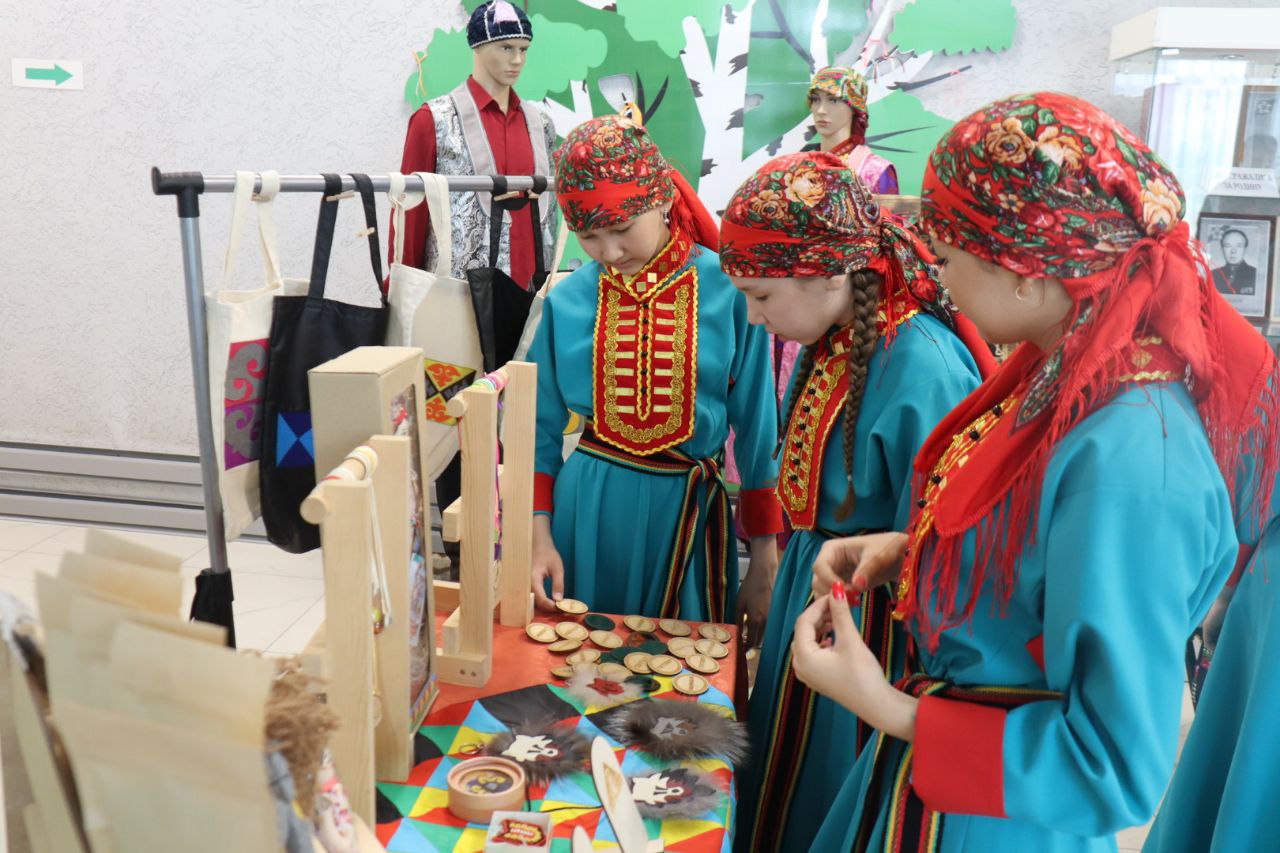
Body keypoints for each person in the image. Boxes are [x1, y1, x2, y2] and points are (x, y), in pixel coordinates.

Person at [796, 92, 1280, 852]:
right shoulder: (1063, 369)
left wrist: (890, 709)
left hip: (999, 816)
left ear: (1027, 273)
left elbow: (1113, 766)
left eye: (947, 259)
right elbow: (1035, 553)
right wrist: (913, 551)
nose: (939, 280)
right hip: (953, 787)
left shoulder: (1131, 456)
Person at [718, 152, 992, 853]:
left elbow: (939, 543)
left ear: (828, 271)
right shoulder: (838, 334)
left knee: (828, 790)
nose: (751, 316)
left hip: (868, 621)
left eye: (761, 294)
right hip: (816, 589)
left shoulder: (924, 365)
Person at [527, 114, 783, 625]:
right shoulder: (567, 301)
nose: (609, 251)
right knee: (578, 659)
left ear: (663, 198)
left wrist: (764, 556)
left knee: (683, 667)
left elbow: (758, 428)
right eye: (588, 236)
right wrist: (537, 539)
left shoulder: (729, 290)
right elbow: (536, 429)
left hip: (687, 516)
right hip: (586, 515)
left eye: (622, 228)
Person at [393, 0, 559, 570]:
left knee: (521, 411)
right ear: (478, 47)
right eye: (505, 48)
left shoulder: (542, 122)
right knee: (455, 409)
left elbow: (553, 211)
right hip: (456, 293)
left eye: (523, 49)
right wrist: (405, 290)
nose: (516, 60)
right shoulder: (433, 119)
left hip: (528, 288)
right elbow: (411, 210)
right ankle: (462, 546)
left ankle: (517, 544)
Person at [806, 66, 899, 194]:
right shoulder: (800, 167)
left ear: (854, 107)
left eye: (833, 100)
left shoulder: (876, 171)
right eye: (815, 99)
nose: (821, 110)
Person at [1210, 228, 1257, 295]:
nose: (1233, 251)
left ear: (1245, 249)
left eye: (1239, 246)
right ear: (1222, 249)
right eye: (1228, 246)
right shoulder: (1212, 274)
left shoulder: (1255, 275)